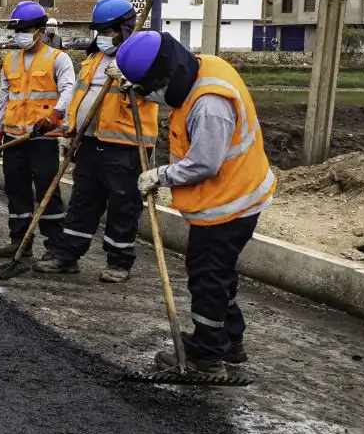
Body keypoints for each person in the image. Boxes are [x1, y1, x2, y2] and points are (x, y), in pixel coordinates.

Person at [117, 30, 274, 376]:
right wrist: (138, 89)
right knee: (219, 276)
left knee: (207, 278)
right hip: (232, 195)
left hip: (229, 203)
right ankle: (229, 340)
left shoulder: (209, 105)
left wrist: (161, 176)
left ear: (166, 76)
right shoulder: (203, 68)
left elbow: (204, 163)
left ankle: (206, 354)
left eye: (150, 88)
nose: (151, 96)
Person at [35, 0, 157, 282]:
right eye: (99, 32)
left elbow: (158, 94)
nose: (103, 38)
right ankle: (67, 255)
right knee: (82, 201)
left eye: (109, 32)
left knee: (123, 206)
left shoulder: (142, 60)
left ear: (125, 28)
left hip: (126, 146)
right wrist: (70, 129)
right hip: (89, 142)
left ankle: (119, 261)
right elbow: (79, 95)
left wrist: (134, 82)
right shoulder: (93, 60)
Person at [0, 1, 75, 258]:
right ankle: (20, 241)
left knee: (47, 190)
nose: (20, 36)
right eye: (17, 31)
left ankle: (54, 245)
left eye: (25, 30)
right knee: (16, 190)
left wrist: (55, 116)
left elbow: (69, 89)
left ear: (39, 29)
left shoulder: (58, 59)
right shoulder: (10, 60)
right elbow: (4, 98)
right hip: (15, 138)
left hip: (42, 138)